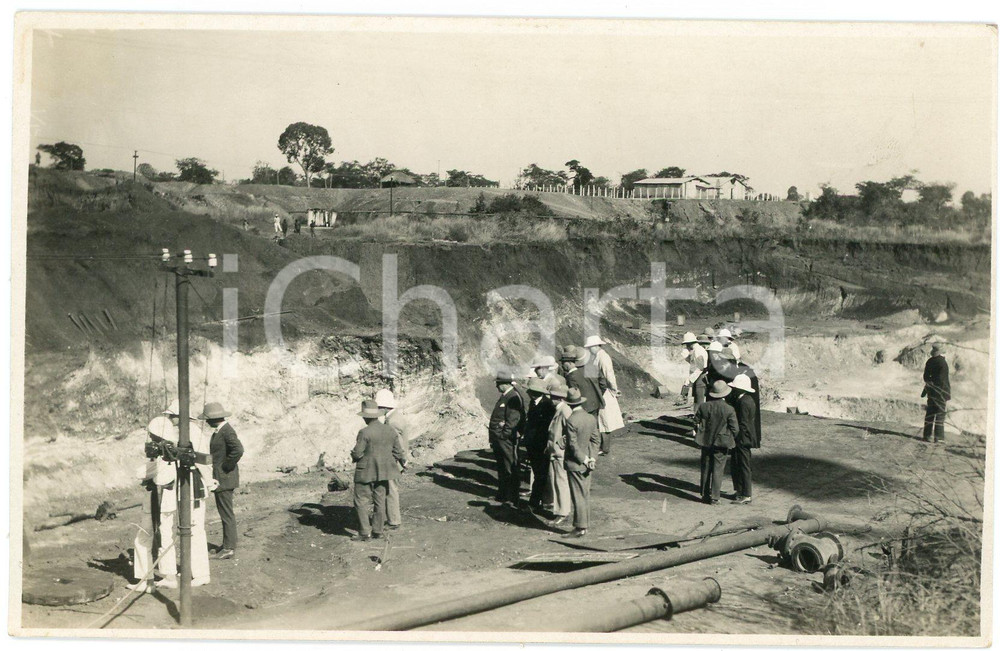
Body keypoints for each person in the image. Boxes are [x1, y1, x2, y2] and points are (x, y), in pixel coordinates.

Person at [162, 400, 214, 586]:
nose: (169, 419)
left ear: (180, 417)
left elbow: (202, 461)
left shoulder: (193, 433)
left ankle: (201, 574)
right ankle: (190, 570)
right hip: (184, 483)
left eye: (172, 416)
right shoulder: (183, 433)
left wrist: (209, 482)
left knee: (195, 528)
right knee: (187, 527)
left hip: (194, 484)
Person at [129, 416, 178, 593]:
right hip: (169, 500)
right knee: (166, 537)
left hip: (156, 500)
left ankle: (145, 580)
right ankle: (169, 575)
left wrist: (146, 466)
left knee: (143, 539)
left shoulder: (161, 456)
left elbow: (141, 473)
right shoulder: (173, 451)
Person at [350, 399, 408, 541]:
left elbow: (358, 453)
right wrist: (403, 462)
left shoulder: (364, 432)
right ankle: (378, 530)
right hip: (384, 472)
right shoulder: (389, 430)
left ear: (365, 417)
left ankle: (364, 533)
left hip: (365, 472)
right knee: (380, 501)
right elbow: (398, 451)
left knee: (361, 501)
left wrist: (353, 454)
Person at [200, 402, 243, 560]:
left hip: (224, 478)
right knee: (224, 512)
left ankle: (229, 548)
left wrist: (225, 466)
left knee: (226, 514)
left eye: (207, 419)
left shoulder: (226, 431)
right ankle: (227, 544)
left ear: (213, 418)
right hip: (221, 477)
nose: (206, 422)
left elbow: (238, 450)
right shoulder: (220, 431)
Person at [692, 380, 738, 504]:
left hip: (706, 441)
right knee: (718, 469)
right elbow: (735, 429)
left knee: (706, 468)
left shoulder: (704, 406)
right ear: (725, 394)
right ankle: (715, 497)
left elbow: (695, 421)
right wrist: (729, 436)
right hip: (721, 442)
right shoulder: (729, 409)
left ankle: (704, 494)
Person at [563, 387, 600, 537]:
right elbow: (596, 440)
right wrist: (591, 458)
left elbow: (572, 445)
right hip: (588, 464)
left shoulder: (571, 420)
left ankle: (580, 527)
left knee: (577, 495)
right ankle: (585, 525)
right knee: (584, 494)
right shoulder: (590, 418)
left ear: (570, 404)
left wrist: (583, 460)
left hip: (576, 464)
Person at [489, 371, 525, 508]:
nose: (497, 387)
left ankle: (512, 497)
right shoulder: (507, 396)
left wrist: (503, 435)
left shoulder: (512, 397)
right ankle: (503, 494)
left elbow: (512, 420)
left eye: (498, 384)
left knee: (510, 467)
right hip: (500, 439)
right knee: (502, 467)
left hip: (506, 440)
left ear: (504, 384)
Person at [584, 336, 624, 457]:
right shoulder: (597, 356)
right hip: (600, 390)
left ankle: (605, 448)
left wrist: (614, 389)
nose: (590, 350)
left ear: (596, 346)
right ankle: (602, 445)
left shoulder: (603, 357)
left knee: (605, 419)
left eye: (591, 347)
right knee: (601, 419)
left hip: (605, 391)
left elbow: (609, 374)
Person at [376, 389, 410, 530]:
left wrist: (403, 460)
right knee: (391, 489)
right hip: (397, 460)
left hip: (393, 462)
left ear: (384, 407)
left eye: (379, 407)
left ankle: (394, 521)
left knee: (391, 490)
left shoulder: (392, 422)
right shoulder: (397, 417)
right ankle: (392, 518)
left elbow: (398, 445)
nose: (378, 410)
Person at [522, 378, 556, 513]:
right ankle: (542, 501)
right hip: (533, 445)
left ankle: (535, 503)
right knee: (539, 474)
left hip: (541, 446)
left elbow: (546, 429)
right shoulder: (533, 403)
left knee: (540, 475)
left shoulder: (547, 406)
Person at [727, 374, 759, 504]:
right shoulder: (747, 400)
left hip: (742, 438)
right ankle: (741, 491)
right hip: (745, 437)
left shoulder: (743, 402)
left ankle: (746, 494)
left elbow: (744, 424)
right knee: (740, 464)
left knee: (743, 465)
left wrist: (737, 437)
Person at [546, 381, 573, 525]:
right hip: (555, 452)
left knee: (561, 482)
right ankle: (559, 510)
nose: (551, 399)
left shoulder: (565, 410)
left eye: (554, 397)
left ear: (561, 398)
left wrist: (560, 445)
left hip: (560, 454)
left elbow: (571, 431)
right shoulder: (559, 409)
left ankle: (563, 512)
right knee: (556, 481)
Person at [562, 347, 603, 422]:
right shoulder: (591, 368)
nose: (562, 365)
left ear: (570, 362)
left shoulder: (571, 376)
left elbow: (574, 394)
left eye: (563, 362)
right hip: (595, 403)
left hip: (584, 407)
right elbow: (603, 384)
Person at [922, 343, 951, 443]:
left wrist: (930, 384)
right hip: (940, 392)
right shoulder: (942, 363)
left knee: (930, 413)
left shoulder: (929, 361)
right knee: (940, 414)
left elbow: (925, 377)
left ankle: (927, 435)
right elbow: (942, 380)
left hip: (931, 391)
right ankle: (938, 437)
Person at [676, 332, 708, 408]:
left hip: (700, 377)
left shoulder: (698, 351)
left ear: (689, 343)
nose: (686, 346)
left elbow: (700, 368)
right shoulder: (695, 350)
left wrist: (690, 380)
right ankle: (697, 416)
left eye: (686, 344)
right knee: (696, 399)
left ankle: (699, 417)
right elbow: (693, 364)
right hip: (697, 376)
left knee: (699, 400)